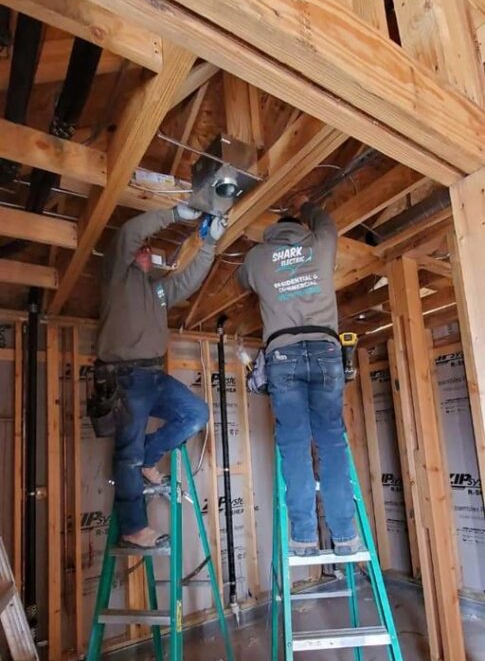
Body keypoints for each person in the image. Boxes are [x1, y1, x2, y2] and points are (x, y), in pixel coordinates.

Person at [96, 204, 225, 550]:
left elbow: (187, 279)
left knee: (196, 414)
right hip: (124, 377)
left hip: (154, 375)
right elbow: (128, 234)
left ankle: (150, 457)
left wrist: (208, 244)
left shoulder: (158, 290)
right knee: (128, 454)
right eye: (142, 248)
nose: (146, 249)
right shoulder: (116, 277)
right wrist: (174, 213)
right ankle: (134, 527)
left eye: (149, 249)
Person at [238, 199, 358, 558]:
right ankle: (346, 537)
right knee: (332, 443)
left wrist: (270, 264)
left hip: (283, 355)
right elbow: (328, 222)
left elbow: (242, 280)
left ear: (271, 234)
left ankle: (304, 538)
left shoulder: (257, 257)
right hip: (325, 351)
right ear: (300, 229)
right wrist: (309, 206)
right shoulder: (320, 243)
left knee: (294, 444)